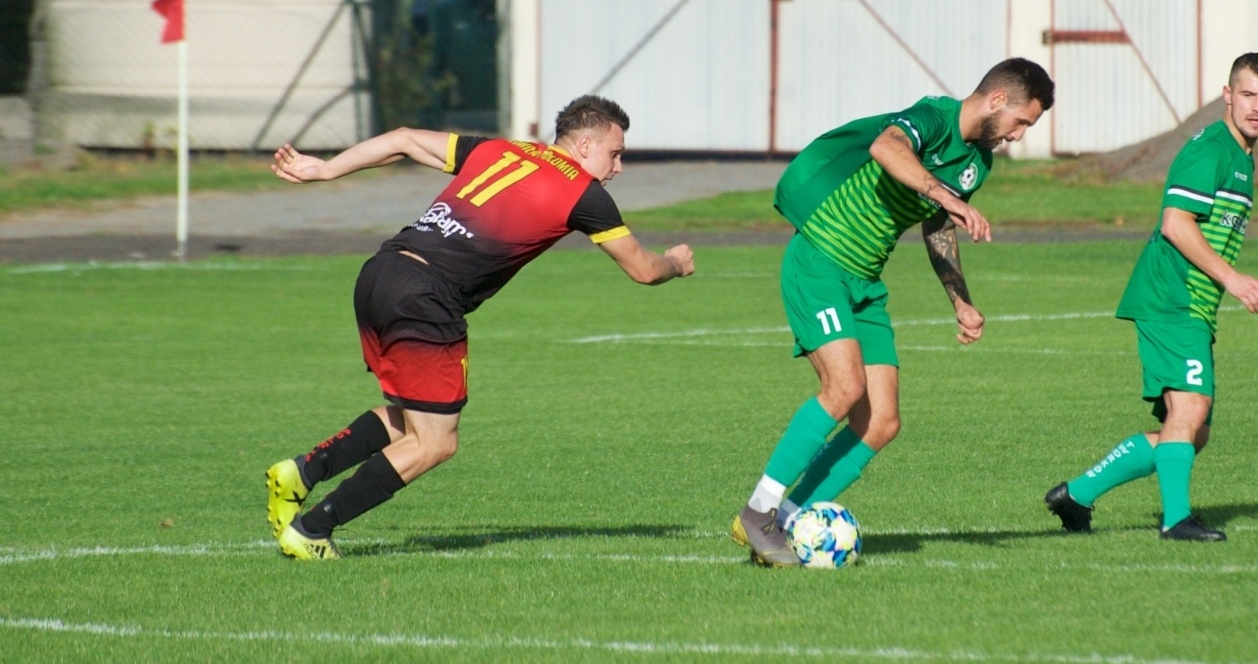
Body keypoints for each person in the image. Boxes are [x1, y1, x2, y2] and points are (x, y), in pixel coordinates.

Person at [264, 95, 694, 560]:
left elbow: (405, 139)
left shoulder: (503, 150)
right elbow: (644, 270)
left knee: (411, 417)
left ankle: (303, 472)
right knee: (435, 441)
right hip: (426, 296)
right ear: (585, 144)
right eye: (616, 153)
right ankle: (312, 529)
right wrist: (674, 261)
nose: (619, 167)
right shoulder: (584, 194)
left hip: (381, 273)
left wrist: (325, 170)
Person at [734, 58, 1055, 566]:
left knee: (881, 422)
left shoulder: (979, 162)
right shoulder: (932, 117)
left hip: (865, 281)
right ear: (997, 100)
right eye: (1021, 122)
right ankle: (757, 512)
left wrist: (961, 300)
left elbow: (939, 227)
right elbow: (886, 147)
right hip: (820, 259)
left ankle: (788, 517)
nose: (1018, 136)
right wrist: (940, 191)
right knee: (843, 388)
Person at [1045, 52, 1258, 542]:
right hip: (1172, 297)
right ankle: (1176, 520)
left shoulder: (1240, 156)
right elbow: (1176, 224)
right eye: (1249, 95)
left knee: (1193, 432)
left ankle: (1079, 494)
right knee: (1188, 410)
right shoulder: (1210, 151)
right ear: (1227, 96)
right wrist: (1233, 280)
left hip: (1188, 302)